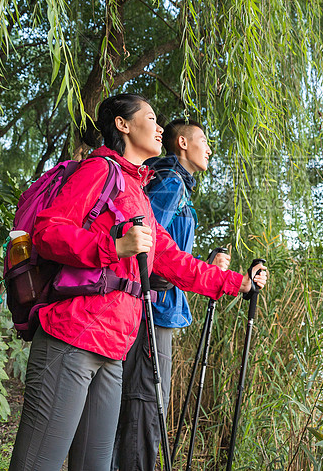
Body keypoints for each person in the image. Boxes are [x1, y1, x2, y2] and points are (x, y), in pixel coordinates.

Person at [8, 94, 267, 471]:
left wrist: (236, 283)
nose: (160, 127)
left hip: (114, 348)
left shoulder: (138, 193)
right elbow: (49, 232)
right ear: (122, 125)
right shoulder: (98, 171)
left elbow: (173, 260)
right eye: (150, 117)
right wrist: (112, 245)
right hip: (72, 336)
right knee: (38, 464)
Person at [113, 120, 229, 471]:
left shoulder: (170, 181)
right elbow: (145, 245)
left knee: (142, 398)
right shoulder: (169, 182)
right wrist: (160, 279)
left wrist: (203, 266)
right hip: (154, 309)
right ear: (182, 142)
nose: (209, 149)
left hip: (158, 305)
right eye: (204, 141)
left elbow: (165, 246)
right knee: (146, 400)